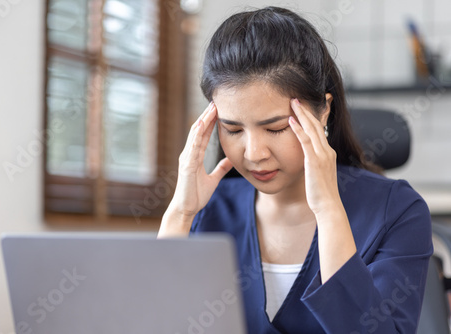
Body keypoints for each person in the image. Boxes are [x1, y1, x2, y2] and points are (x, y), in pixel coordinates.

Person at [158, 6, 433, 334]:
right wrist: (180, 214)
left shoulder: (396, 211)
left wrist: (329, 211)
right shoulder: (207, 211)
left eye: (275, 128)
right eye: (232, 130)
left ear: (323, 112)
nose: (254, 154)